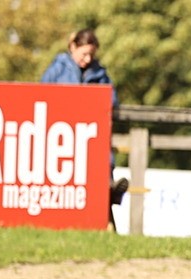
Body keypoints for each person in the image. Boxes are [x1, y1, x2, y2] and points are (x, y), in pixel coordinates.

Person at [41, 29, 124, 210]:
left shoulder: (99, 74)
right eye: (84, 54)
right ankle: (108, 192)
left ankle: (109, 187)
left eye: (91, 55)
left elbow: (112, 100)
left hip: (88, 131)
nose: (87, 59)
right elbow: (42, 95)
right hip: (60, 131)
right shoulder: (57, 69)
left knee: (102, 148)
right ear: (73, 47)